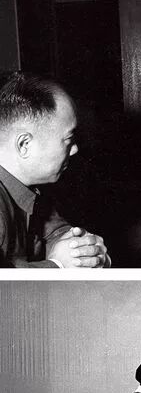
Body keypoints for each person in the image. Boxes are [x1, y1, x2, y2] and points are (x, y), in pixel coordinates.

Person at [0, 71, 110, 268]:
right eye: (68, 139)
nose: (75, 149)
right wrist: (57, 266)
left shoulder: (28, 188)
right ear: (24, 144)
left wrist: (85, 250)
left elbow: (55, 232)